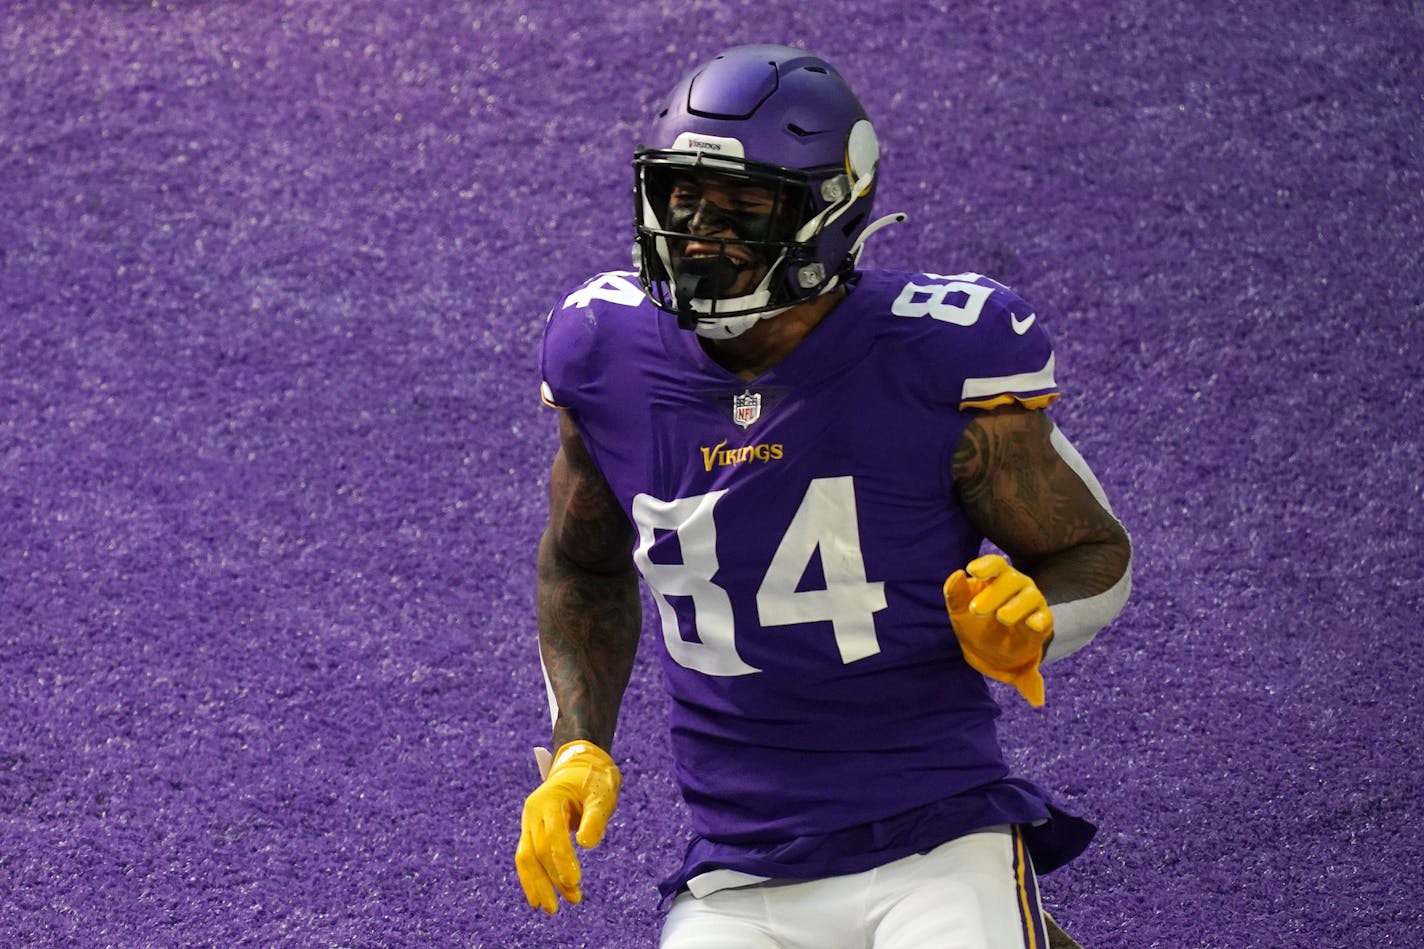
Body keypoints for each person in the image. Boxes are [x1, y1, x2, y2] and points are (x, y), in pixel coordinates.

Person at [515, 44, 1132, 949]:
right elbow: (580, 563)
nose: (696, 235)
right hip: (738, 864)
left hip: (937, 829)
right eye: (681, 198)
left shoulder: (936, 358)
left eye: (741, 207)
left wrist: (1036, 614)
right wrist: (578, 744)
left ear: (830, 213)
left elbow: (1093, 551)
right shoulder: (604, 353)